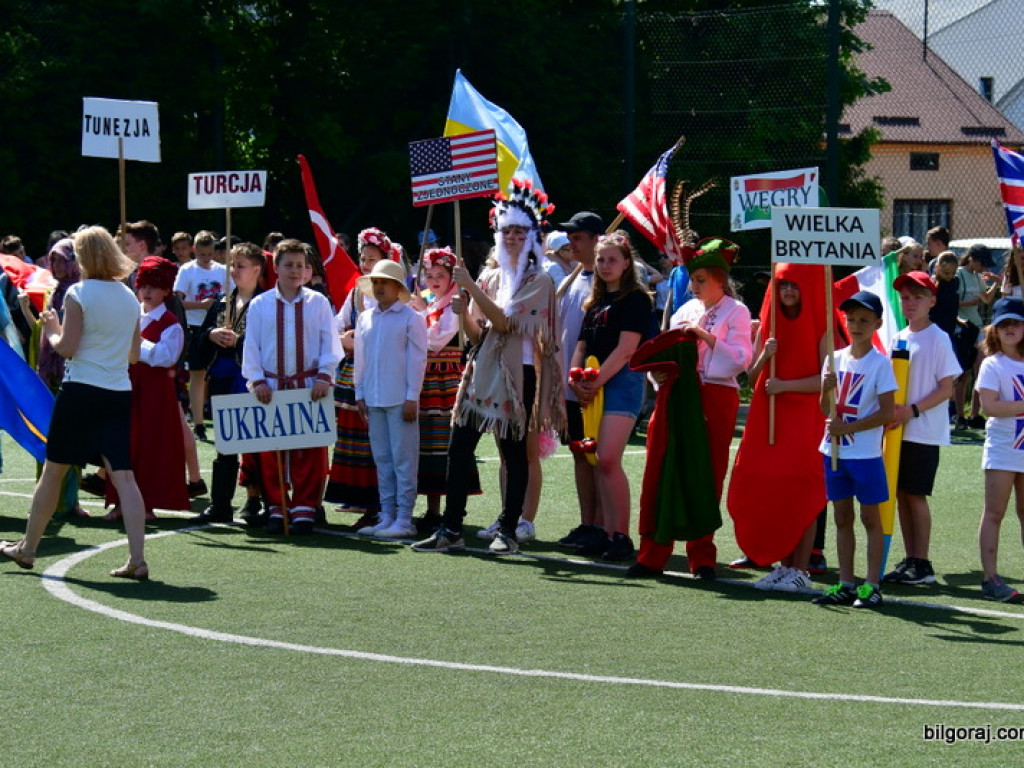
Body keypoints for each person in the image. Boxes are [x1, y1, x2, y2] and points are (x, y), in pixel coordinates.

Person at [412, 180, 566, 554]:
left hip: (519, 374)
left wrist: (471, 290)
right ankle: (451, 527)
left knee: (513, 454)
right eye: (506, 229)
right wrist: (464, 312)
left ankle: (509, 529)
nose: (512, 237)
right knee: (459, 447)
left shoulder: (540, 280)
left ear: (531, 237)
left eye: (519, 231)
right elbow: (478, 332)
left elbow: (506, 323)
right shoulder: (491, 277)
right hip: (482, 370)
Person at [1, 226, 149, 579]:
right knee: (124, 477)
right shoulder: (129, 296)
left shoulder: (79, 293)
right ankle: (137, 559)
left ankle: (28, 547)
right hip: (117, 392)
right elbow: (132, 355)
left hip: (81, 390)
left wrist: (50, 326)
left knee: (54, 471)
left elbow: (66, 348)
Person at [628, 238, 751, 580]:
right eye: (692, 279)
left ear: (720, 281)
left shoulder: (736, 311)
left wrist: (706, 337)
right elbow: (663, 354)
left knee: (706, 473)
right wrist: (658, 372)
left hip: (715, 396)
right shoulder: (684, 310)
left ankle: (702, 556)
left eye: (700, 280)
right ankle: (652, 553)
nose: (693, 286)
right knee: (661, 466)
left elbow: (741, 359)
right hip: (676, 394)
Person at [729, 264, 829, 592]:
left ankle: (801, 570)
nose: (788, 291)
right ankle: (783, 566)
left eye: (795, 285)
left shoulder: (822, 324)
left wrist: (785, 386)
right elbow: (754, 379)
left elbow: (827, 381)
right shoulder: (769, 324)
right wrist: (765, 355)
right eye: (783, 284)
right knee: (771, 487)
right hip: (769, 418)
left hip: (805, 419)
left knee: (804, 491)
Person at [242, 239, 342, 535]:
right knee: (272, 451)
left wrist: (325, 375)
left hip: (309, 386)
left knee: (308, 451)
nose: (295, 271)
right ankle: (277, 507)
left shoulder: (318, 302)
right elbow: (252, 346)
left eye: (301, 265)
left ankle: (304, 510)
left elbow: (330, 342)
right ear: (276, 268)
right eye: (289, 265)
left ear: (308, 269)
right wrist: (257, 379)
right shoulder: (259, 304)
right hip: (271, 386)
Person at [568, 233, 651, 561]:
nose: (605, 265)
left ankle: (622, 536)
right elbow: (581, 346)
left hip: (622, 383)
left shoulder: (636, 299)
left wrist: (595, 382)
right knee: (597, 459)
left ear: (627, 263)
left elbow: (627, 349)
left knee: (607, 459)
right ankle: (604, 532)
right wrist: (575, 379)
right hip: (593, 385)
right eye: (601, 259)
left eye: (612, 259)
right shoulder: (595, 302)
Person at [811, 291, 898, 608]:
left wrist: (847, 428)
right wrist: (825, 387)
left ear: (877, 323)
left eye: (864, 319)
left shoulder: (880, 364)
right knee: (841, 517)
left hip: (865, 455)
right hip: (833, 452)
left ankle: (871, 584)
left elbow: (888, 413)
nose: (856, 325)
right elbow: (825, 407)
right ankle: (846, 582)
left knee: (870, 519)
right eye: (851, 319)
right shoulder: (834, 358)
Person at [882, 271, 961, 585]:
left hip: (923, 430)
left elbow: (947, 387)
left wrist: (911, 411)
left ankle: (923, 563)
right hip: (898, 430)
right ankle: (910, 558)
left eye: (917, 297)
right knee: (901, 494)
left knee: (915, 495)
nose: (910, 302)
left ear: (932, 300)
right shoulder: (899, 336)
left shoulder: (938, 337)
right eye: (905, 297)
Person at [103, 256, 190, 522]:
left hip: (154, 395)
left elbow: (165, 357)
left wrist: (134, 343)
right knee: (125, 445)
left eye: (154, 286)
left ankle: (147, 504)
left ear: (166, 290)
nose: (147, 292)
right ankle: (119, 502)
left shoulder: (171, 323)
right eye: (143, 286)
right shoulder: (131, 315)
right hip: (126, 388)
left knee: (151, 447)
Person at [190, 242, 266, 525]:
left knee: (256, 444)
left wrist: (240, 341)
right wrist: (211, 334)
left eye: (240, 266)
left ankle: (255, 501)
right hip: (222, 379)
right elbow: (198, 343)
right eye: (232, 265)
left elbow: (270, 344)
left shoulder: (266, 303)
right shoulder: (222, 302)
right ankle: (220, 503)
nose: (234, 271)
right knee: (225, 445)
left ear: (257, 270)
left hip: (251, 381)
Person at [353, 259, 428, 538]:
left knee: (403, 459)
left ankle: (405, 519)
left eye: (385, 282)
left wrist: (412, 397)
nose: (379, 286)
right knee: (383, 458)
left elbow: (417, 360)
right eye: (376, 282)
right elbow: (361, 358)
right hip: (374, 397)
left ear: (398, 287)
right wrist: (359, 392)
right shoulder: (365, 318)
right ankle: (387, 515)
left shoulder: (412, 318)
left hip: (400, 398)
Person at [408, 246, 481, 530]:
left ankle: (448, 509)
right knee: (426, 444)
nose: (434, 281)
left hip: (447, 379)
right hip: (425, 378)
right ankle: (431, 508)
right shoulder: (427, 300)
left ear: (452, 277)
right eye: (429, 275)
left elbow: (435, 340)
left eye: (440, 275)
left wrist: (419, 312)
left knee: (444, 444)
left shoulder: (456, 303)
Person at [323, 227, 392, 522]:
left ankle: (375, 503)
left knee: (372, 440)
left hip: (378, 372)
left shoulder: (392, 295)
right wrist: (344, 338)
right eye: (363, 258)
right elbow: (335, 327)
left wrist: (358, 339)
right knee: (350, 437)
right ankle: (353, 494)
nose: (366, 264)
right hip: (352, 374)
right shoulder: (355, 292)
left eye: (373, 258)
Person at [554, 210, 607, 553]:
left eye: (577, 237)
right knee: (579, 454)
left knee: (598, 458)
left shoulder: (605, 283)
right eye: (570, 237)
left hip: (593, 387)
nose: (571, 243)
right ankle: (588, 523)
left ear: (595, 240)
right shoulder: (571, 280)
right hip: (568, 385)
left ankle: (604, 525)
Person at [975, 297, 1024, 601]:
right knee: (995, 511)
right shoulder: (993, 364)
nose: (1010, 328)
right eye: (1004, 323)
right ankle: (990, 577)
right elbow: (987, 407)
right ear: (994, 329)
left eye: (1016, 322)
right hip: (1004, 447)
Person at [174, 230, 227, 442]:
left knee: (220, 375)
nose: (205, 258)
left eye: (209, 254)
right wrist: (201, 305)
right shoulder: (187, 270)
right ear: (195, 251)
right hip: (195, 327)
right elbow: (177, 302)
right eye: (202, 254)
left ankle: (221, 418)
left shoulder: (223, 271)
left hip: (218, 325)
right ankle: (198, 423)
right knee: (197, 375)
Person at [954, 244, 1000, 429]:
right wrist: (968, 302)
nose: (984, 268)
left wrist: (997, 282)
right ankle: (959, 416)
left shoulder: (975, 276)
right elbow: (951, 301)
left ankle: (974, 414)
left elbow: (987, 298)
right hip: (962, 328)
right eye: (982, 264)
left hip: (977, 327)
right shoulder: (959, 274)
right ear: (972, 259)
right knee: (963, 374)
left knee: (981, 369)